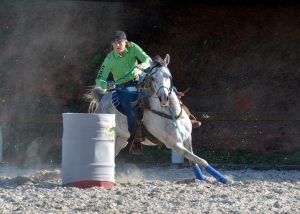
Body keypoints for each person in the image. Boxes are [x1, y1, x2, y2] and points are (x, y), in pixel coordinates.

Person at [95, 30, 151, 154]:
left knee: (165, 89)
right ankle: (135, 139)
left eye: (120, 42)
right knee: (131, 108)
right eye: (115, 43)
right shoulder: (110, 58)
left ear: (125, 42)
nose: (117, 45)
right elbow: (99, 80)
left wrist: (143, 65)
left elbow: (148, 60)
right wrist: (107, 84)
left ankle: (183, 117)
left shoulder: (133, 48)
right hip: (123, 88)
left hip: (140, 81)